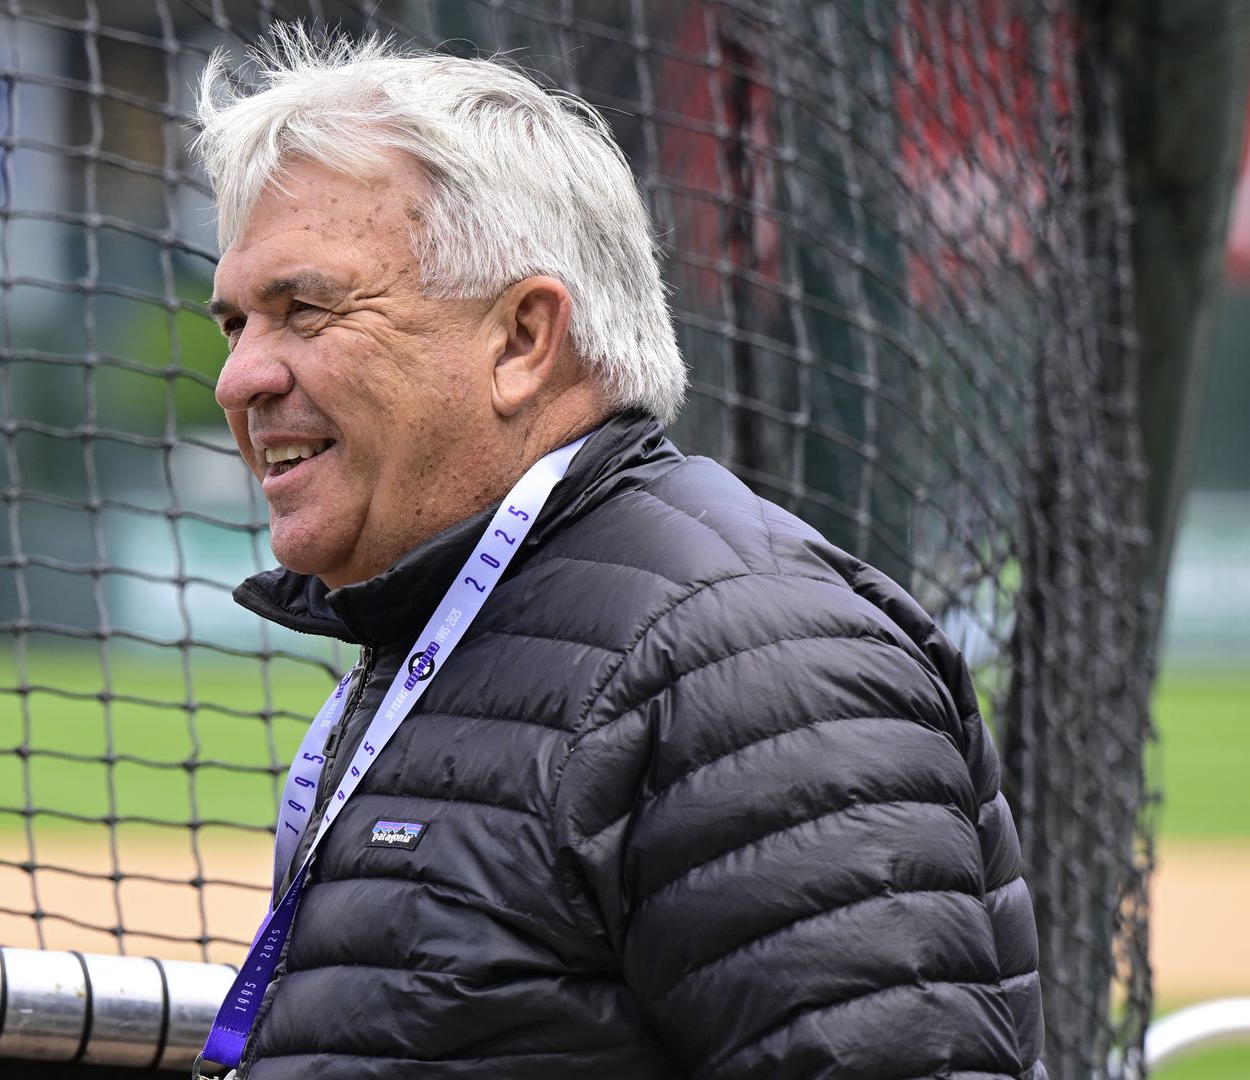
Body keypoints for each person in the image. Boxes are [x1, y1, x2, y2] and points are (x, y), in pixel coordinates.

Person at [190, 29, 1046, 1080]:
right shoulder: (459, 628)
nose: (239, 379)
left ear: (522, 340)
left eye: (305, 311)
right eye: (235, 325)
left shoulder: (752, 661)